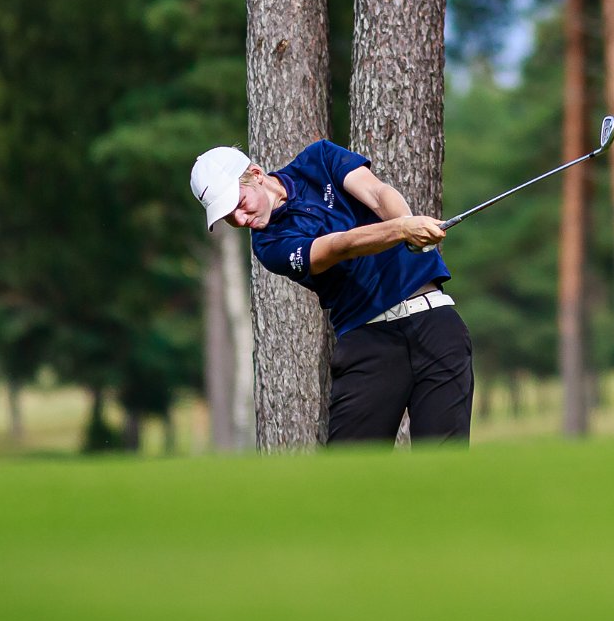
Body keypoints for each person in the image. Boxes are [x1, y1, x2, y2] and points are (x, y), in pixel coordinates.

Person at [190, 140, 473, 446]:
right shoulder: (268, 246)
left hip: (434, 322)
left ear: (256, 174)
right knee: (349, 476)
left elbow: (378, 195)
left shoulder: (319, 158)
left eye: (240, 203)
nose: (241, 220)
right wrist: (402, 231)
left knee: (443, 468)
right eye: (229, 217)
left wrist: (408, 225)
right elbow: (339, 247)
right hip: (369, 344)